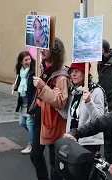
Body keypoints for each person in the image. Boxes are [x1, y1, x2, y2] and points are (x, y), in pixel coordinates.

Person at [30, 37, 70, 180]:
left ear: (54, 51)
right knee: (35, 155)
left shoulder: (62, 76)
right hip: (40, 116)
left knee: (55, 161)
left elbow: (60, 102)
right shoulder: (41, 68)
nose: (42, 50)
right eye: (42, 47)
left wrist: (43, 86)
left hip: (54, 120)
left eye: (45, 48)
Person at [66, 62, 107, 154]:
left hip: (89, 141)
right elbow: (67, 115)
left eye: (77, 71)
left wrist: (89, 102)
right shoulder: (73, 92)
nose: (73, 74)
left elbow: (100, 119)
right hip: (73, 139)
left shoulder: (96, 91)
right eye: (71, 71)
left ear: (85, 73)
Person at [12, 51, 36, 154]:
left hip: (31, 101)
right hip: (23, 102)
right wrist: (15, 87)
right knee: (22, 123)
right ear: (21, 62)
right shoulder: (20, 72)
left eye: (29, 59)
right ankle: (36, 137)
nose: (28, 61)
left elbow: (33, 87)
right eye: (25, 60)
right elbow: (19, 86)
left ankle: (31, 145)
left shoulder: (33, 72)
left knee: (29, 123)